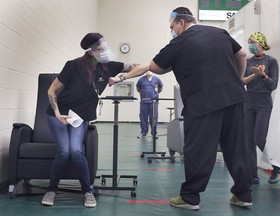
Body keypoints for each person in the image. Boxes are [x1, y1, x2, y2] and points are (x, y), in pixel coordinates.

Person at [148, 7, 253, 210]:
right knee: (237, 148)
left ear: (181, 22)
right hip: (234, 98)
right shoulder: (219, 33)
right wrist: (238, 81)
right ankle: (243, 195)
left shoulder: (179, 42)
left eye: (172, 26)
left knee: (199, 150)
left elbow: (154, 67)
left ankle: (190, 198)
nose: (172, 30)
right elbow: (241, 54)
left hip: (203, 103)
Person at [42, 32, 148, 207]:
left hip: (79, 117)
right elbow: (51, 91)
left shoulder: (110, 66)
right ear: (90, 52)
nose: (105, 51)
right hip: (58, 114)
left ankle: (87, 191)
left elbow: (143, 67)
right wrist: (58, 113)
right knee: (64, 151)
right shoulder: (73, 66)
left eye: (105, 47)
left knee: (76, 151)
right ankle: (51, 190)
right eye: (100, 49)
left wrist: (121, 77)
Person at [243, 32, 280, 185]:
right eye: (249, 42)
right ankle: (253, 175)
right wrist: (254, 75)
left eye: (253, 42)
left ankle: (276, 166)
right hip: (248, 101)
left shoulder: (272, 61)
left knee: (259, 137)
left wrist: (263, 75)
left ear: (260, 43)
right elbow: (242, 81)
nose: (251, 45)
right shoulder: (247, 61)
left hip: (264, 101)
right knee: (248, 141)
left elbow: (274, 84)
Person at [136, 71, 163, 139]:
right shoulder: (141, 80)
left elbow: (160, 88)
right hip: (144, 102)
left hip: (154, 102)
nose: (149, 71)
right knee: (143, 118)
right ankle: (143, 133)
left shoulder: (157, 79)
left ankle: (154, 133)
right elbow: (138, 89)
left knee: (154, 118)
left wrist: (154, 94)